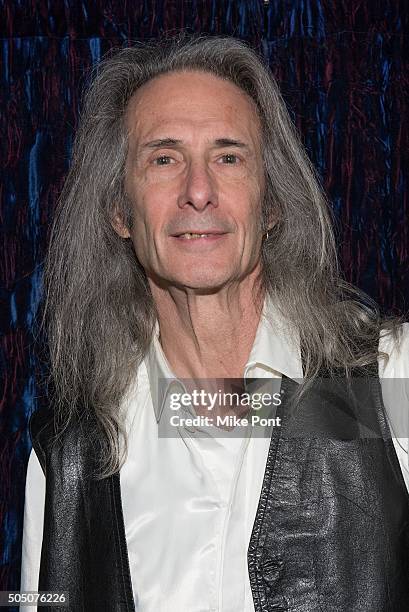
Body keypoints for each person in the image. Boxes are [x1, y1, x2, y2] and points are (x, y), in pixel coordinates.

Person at [21, 34, 409, 611]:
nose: (198, 192)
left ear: (272, 203)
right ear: (120, 211)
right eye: (164, 158)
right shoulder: (67, 459)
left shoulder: (390, 381)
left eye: (228, 157)